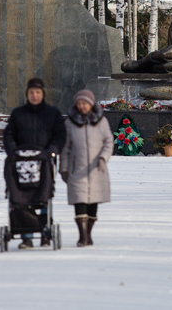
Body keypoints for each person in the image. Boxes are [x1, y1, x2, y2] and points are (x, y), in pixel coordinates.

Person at [3, 77, 66, 249]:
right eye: (31, 92)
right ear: (27, 94)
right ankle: (27, 237)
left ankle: (45, 233)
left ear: (43, 94)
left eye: (38, 92)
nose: (35, 95)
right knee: (21, 198)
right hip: (21, 164)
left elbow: (60, 136)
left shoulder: (53, 114)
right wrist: (13, 152)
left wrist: (51, 151)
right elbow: (9, 135)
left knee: (44, 196)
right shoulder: (18, 114)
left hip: (44, 163)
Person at [59, 89, 113, 247]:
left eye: (85, 103)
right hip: (77, 170)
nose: (82, 106)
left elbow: (109, 141)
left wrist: (103, 157)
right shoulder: (69, 123)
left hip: (97, 169)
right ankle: (82, 236)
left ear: (91, 104)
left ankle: (88, 233)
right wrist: (64, 168)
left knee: (92, 205)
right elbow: (65, 148)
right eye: (79, 103)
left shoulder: (101, 121)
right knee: (80, 202)